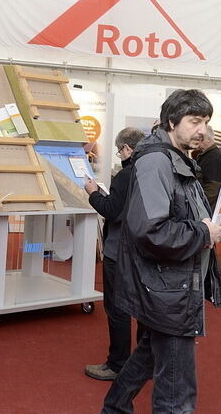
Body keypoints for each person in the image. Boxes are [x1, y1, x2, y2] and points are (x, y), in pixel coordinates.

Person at [103, 89, 221, 414]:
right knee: (177, 395)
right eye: (194, 121)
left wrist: (202, 226)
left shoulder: (174, 158)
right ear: (172, 121)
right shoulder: (157, 162)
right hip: (167, 289)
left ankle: (114, 408)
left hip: (170, 285)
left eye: (206, 121)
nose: (202, 129)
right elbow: (152, 231)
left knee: (148, 354)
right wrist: (204, 231)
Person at [81, 127, 146, 381]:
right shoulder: (151, 172)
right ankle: (142, 362)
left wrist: (93, 194)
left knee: (117, 308)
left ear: (127, 149)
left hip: (120, 250)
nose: (119, 154)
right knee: (141, 309)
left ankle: (118, 363)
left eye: (120, 150)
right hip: (143, 250)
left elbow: (112, 211)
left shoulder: (125, 175)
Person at [194, 126, 221, 211]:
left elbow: (212, 188)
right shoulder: (206, 155)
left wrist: (200, 207)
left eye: (200, 140)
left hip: (207, 209)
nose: (197, 144)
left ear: (208, 139)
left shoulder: (213, 157)